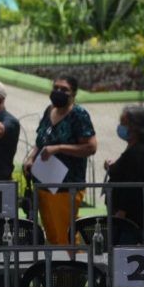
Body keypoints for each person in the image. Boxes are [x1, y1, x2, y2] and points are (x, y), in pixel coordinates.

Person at [23, 76, 97, 245]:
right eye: (56, 87)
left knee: (66, 235)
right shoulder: (49, 110)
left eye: (64, 89)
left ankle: (73, 268)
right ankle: (56, 269)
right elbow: (40, 141)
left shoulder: (79, 114)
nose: (58, 92)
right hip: (44, 183)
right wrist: (31, 157)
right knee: (52, 235)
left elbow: (91, 147)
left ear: (74, 94)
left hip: (67, 186)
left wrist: (59, 148)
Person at [105, 106, 144, 245]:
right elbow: (127, 169)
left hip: (136, 219)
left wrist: (121, 212)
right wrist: (113, 167)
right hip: (138, 216)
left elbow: (133, 185)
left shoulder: (139, 152)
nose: (121, 127)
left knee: (133, 258)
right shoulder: (140, 146)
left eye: (124, 123)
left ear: (136, 127)